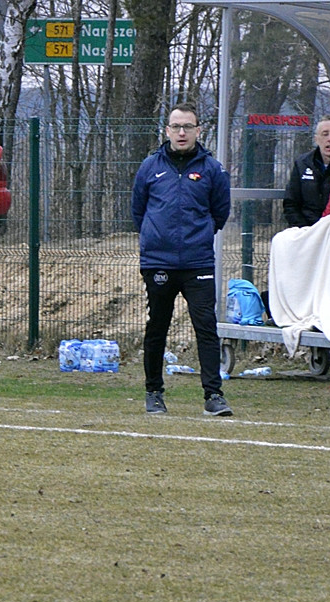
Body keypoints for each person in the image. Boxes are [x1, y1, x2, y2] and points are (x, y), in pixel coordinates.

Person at [131, 103, 232, 416]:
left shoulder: (212, 170)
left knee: (206, 327)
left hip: (197, 262)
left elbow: (220, 213)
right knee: (157, 326)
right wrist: (156, 238)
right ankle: (153, 392)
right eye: (176, 127)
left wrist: (196, 237)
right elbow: (138, 210)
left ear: (199, 130)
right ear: (167, 131)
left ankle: (213, 396)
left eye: (188, 126)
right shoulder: (150, 167)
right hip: (158, 262)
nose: (182, 132)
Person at [283, 115, 330, 227]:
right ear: (316, 139)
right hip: (307, 229)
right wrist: (303, 229)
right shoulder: (302, 163)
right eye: (325, 134)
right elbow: (291, 203)